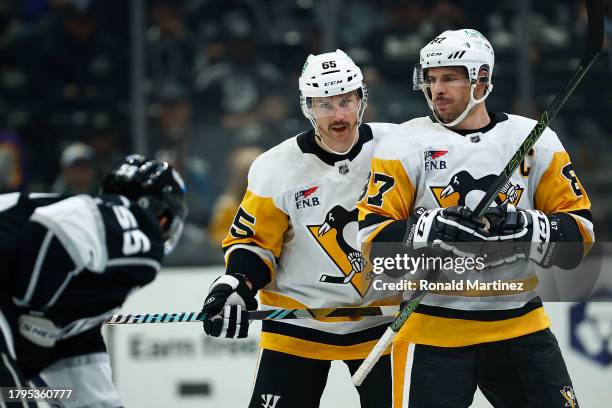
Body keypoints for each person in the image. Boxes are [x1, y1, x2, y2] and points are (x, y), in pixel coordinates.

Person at [357, 29, 594, 407]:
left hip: (520, 323)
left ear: (481, 80)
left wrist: (526, 226)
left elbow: (578, 239)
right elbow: (374, 245)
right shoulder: (403, 143)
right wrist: (428, 228)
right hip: (432, 326)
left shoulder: (535, 138)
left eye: (449, 77)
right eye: (431, 79)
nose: (437, 89)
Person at [201, 50, 400, 407]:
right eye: (325, 104)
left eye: (345, 101)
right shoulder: (275, 167)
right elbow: (254, 244)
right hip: (299, 323)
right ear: (307, 106)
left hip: (383, 323)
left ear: (361, 99)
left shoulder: (400, 148)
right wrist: (235, 283)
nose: (338, 115)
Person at [0, 154, 187, 407]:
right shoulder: (133, 224)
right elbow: (54, 226)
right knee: (13, 396)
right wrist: (34, 312)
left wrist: (37, 319)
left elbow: (84, 385)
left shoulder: (78, 282)